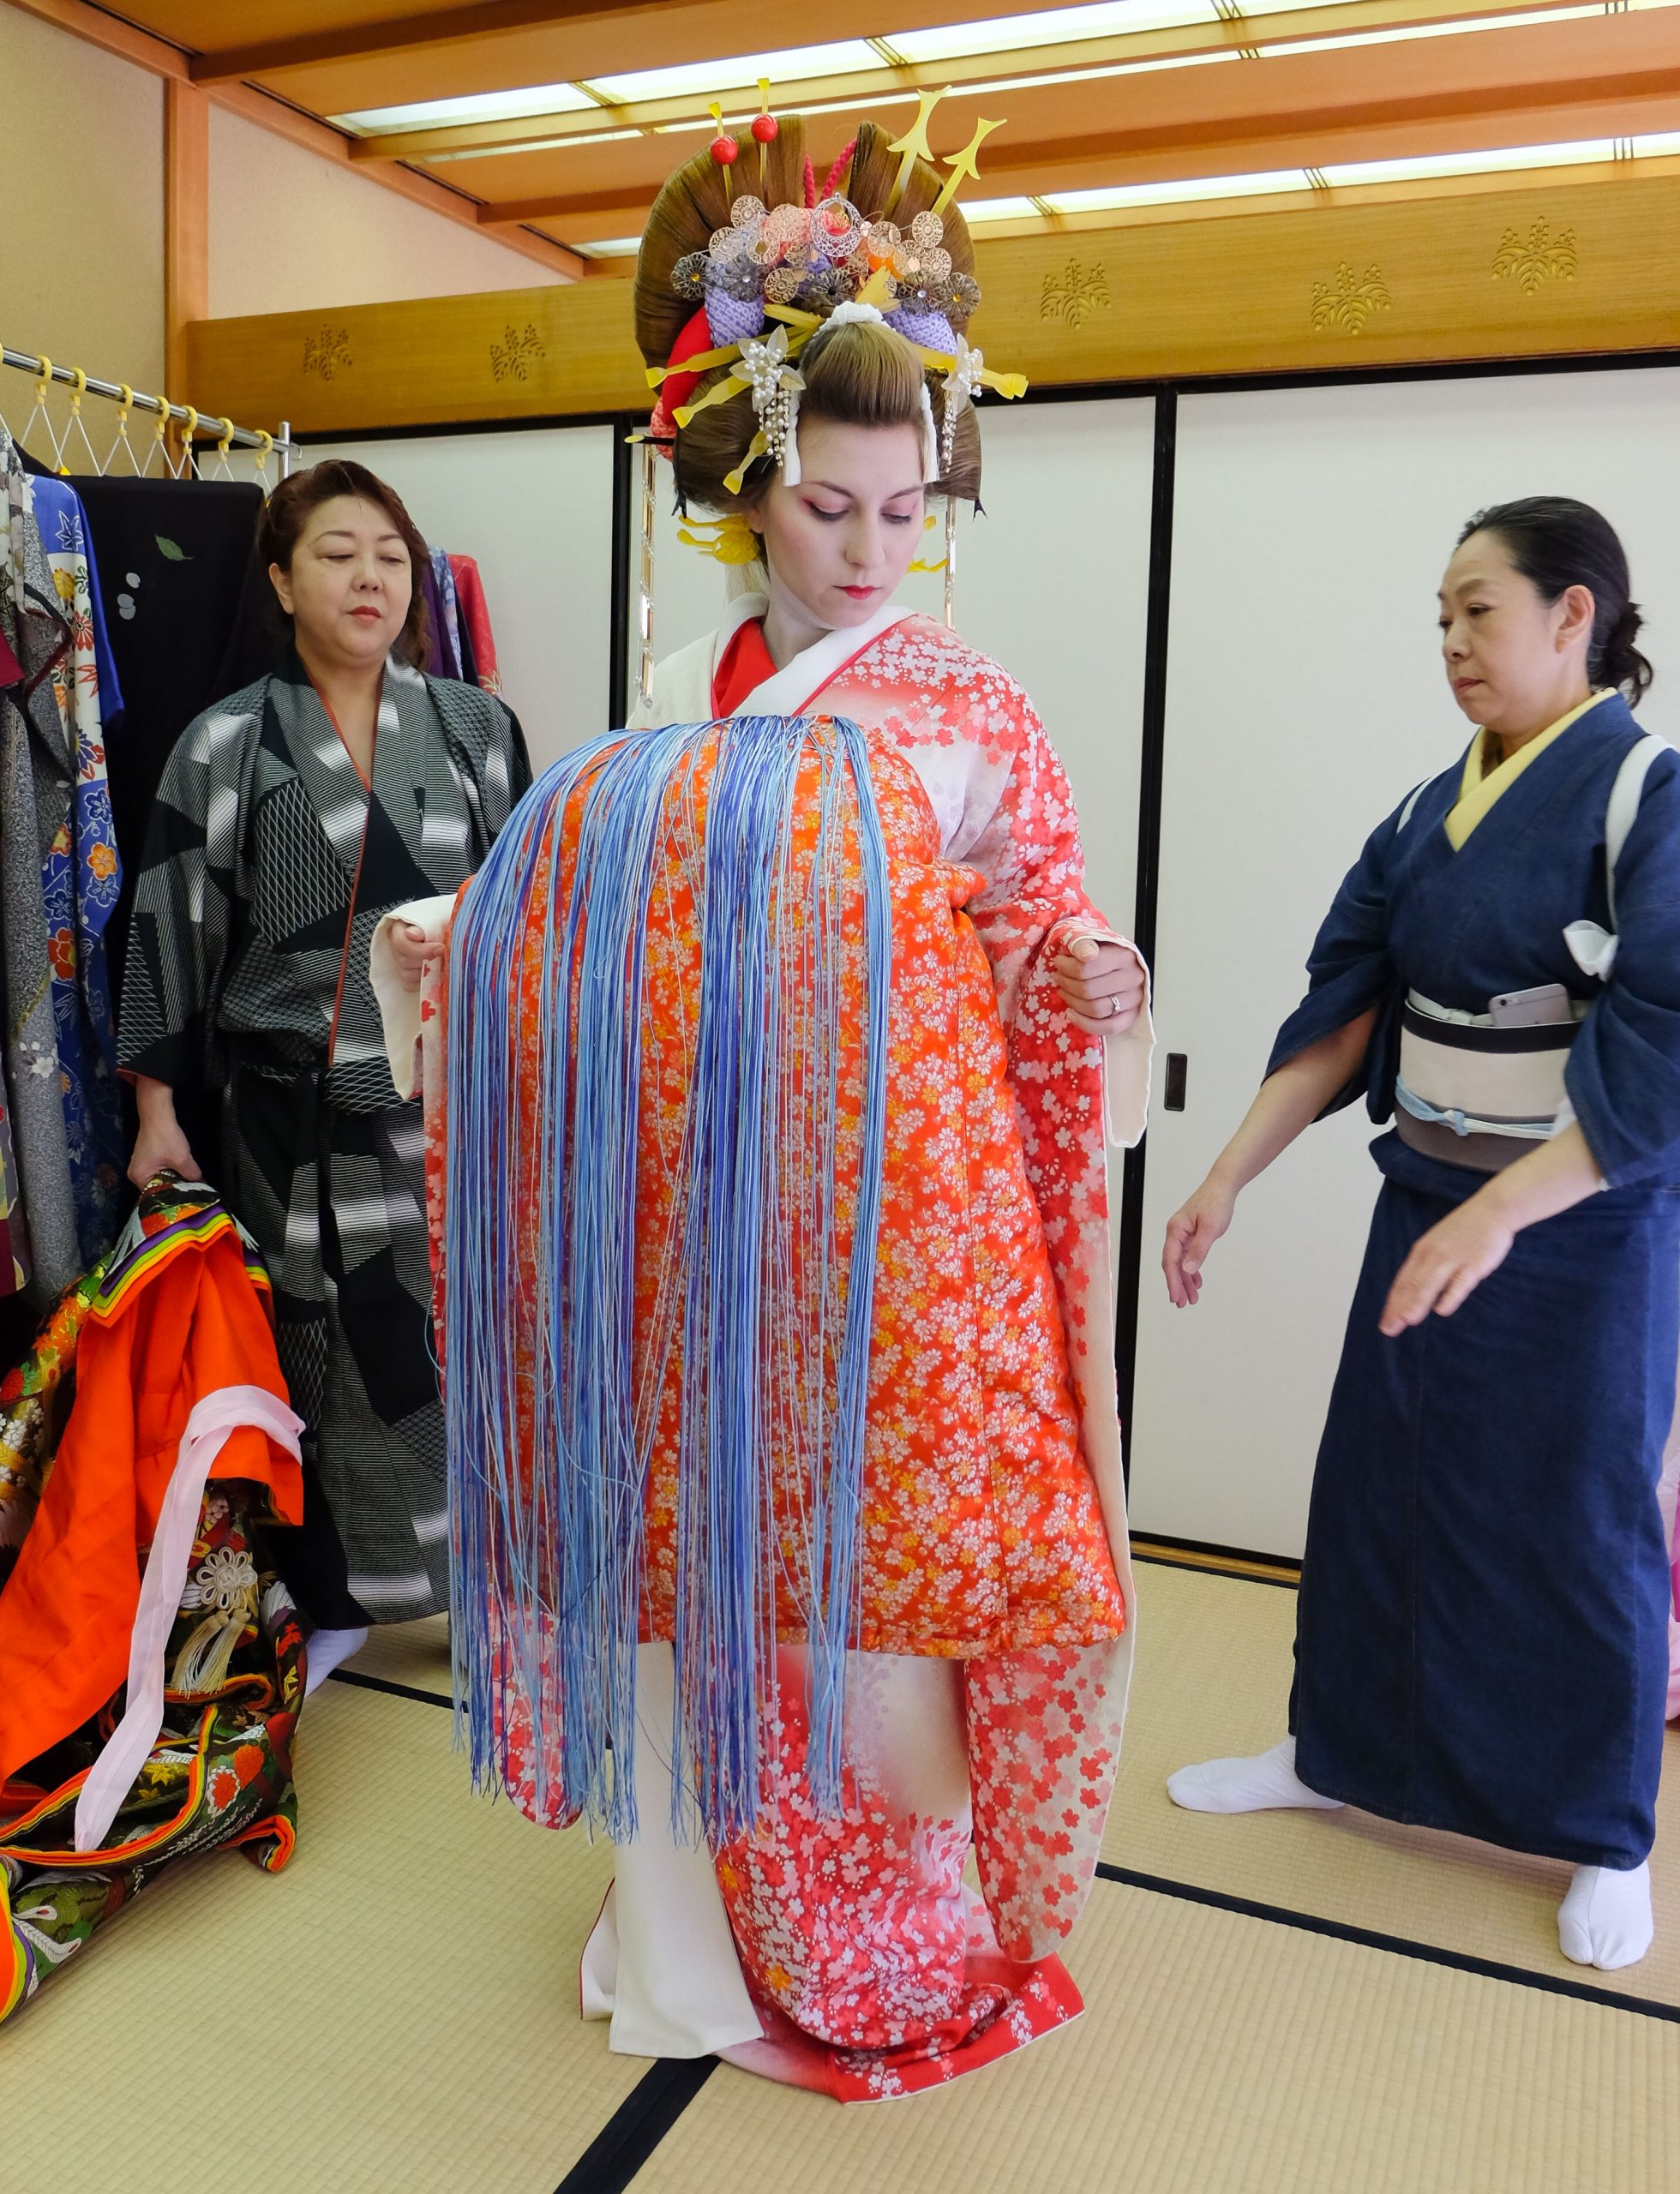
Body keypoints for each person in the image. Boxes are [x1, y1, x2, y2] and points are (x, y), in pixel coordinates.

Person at [379, 115, 1151, 2100]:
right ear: (742, 484)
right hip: (691, 1220)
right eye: (827, 506)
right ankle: (680, 1930)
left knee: (867, 1614)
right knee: (683, 1574)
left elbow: (1032, 914)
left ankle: (883, 1940)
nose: (871, 551)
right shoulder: (683, 690)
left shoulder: (969, 711)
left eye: (905, 512)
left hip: (893, 1234)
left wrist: (1077, 970)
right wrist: (452, 939)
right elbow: (586, 921)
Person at [1161, 496, 1680, 1971]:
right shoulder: (1429, 808)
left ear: (1574, 615)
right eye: (1440, 617)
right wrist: (1227, 1174)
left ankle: (1606, 1832)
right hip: (1423, 1198)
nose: (1450, 644)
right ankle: (1331, 1752)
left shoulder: (1658, 803)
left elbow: (1674, 1056)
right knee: (1377, 1488)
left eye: (1477, 610)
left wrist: (1502, 1211)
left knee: (1577, 1520)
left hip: (1579, 1230)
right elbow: (1348, 1001)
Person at [118, 460, 528, 1681]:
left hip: (448, 1118)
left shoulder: (474, 728)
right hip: (288, 1120)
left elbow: (533, 909)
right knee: (313, 1352)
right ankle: (327, 1595)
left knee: (453, 1348)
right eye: (339, 554)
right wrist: (153, 1107)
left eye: (391, 556)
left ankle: (474, 1588)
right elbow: (165, 924)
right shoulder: (227, 742)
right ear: (284, 580)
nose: (371, 578)